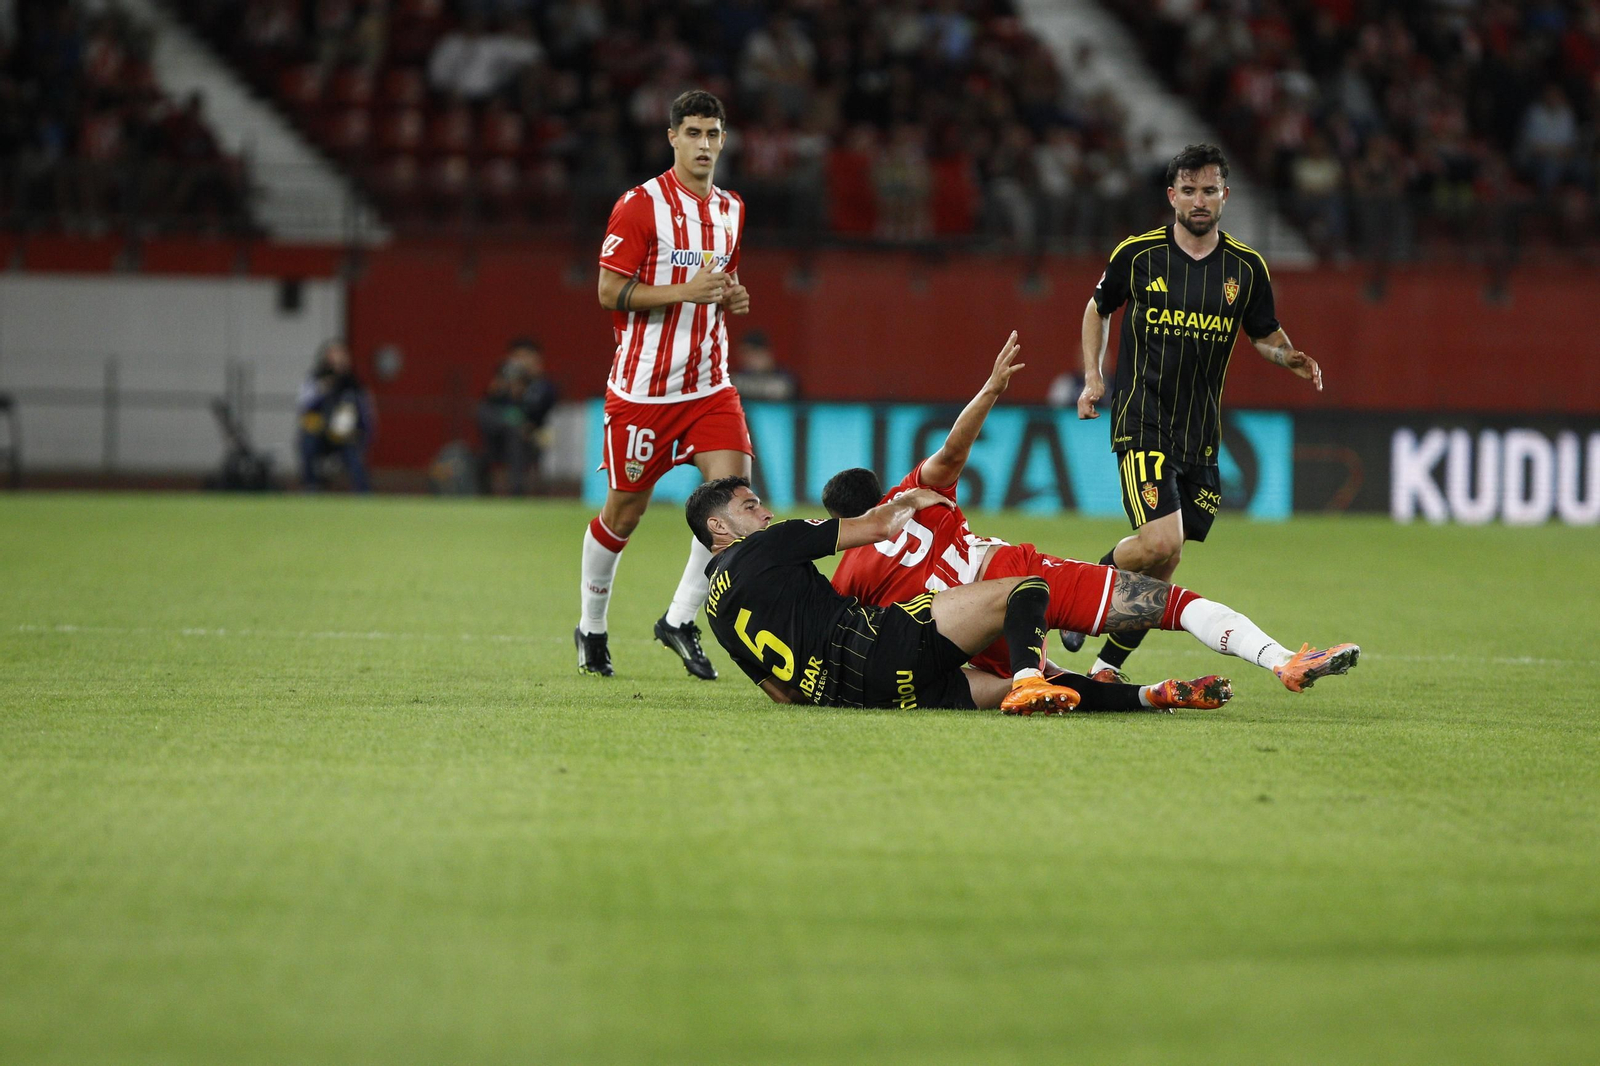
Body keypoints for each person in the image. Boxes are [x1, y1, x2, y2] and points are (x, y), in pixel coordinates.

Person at [829, 331, 1358, 698]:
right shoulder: (913, 493)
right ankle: (1283, 660)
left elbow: (840, 637)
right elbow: (952, 451)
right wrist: (991, 390)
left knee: (1046, 679)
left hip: (962, 633)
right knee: (1173, 604)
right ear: (878, 491)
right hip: (1017, 577)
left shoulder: (849, 576)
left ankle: (1135, 690)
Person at [1075, 143, 1326, 683]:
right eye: (1188, 190)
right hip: (1143, 418)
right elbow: (1097, 310)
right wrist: (1094, 377)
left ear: (1225, 196)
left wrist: (1290, 357)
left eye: (1209, 190)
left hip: (1200, 435)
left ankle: (1105, 668)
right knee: (1161, 542)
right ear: (1172, 196)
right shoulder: (1138, 255)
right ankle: (1085, 585)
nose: (1199, 200)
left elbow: (1264, 334)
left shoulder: (1246, 267)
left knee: (1165, 562)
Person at [576, 89, 753, 679]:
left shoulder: (732, 209)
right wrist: (684, 292)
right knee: (623, 515)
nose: (704, 145)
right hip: (643, 393)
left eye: (713, 134)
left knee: (733, 504)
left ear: (723, 140)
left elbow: (720, 283)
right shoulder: (639, 206)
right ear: (672, 137)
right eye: (693, 133)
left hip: (709, 388)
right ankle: (591, 628)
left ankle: (679, 619)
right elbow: (608, 292)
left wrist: (731, 296)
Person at [687, 476, 1083, 715]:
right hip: (882, 648)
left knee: (1025, 686)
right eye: (750, 506)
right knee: (1026, 588)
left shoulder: (715, 614)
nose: (767, 513)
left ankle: (1122, 691)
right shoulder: (766, 544)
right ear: (718, 526)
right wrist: (909, 499)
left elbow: (784, 695)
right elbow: (877, 527)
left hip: (857, 695)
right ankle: (1030, 680)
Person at [476, 337, 557, 495]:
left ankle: (517, 490)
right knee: (486, 413)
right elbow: (489, 407)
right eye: (517, 357)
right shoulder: (503, 382)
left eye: (525, 357)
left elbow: (537, 411)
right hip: (498, 437)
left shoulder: (543, 386)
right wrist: (501, 389)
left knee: (515, 433)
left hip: (530, 438)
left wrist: (522, 391)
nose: (521, 363)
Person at [296, 340, 374, 492]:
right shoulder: (316, 379)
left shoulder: (354, 384)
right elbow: (303, 406)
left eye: (341, 355)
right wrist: (322, 389)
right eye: (333, 355)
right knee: (307, 443)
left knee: (353, 454)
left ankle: (363, 492)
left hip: (344, 434)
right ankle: (311, 486)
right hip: (319, 432)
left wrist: (364, 436)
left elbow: (366, 414)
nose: (337, 360)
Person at [727, 329, 797, 402]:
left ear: (767, 353)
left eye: (753, 353)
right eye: (744, 354)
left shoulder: (786, 380)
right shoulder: (735, 380)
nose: (748, 359)